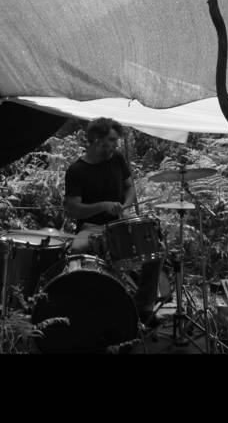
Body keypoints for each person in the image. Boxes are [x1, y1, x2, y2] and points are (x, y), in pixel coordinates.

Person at [64, 117, 162, 326]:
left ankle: (143, 308)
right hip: (91, 228)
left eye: (116, 140)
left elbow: (130, 187)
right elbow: (73, 209)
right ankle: (83, 312)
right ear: (96, 139)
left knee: (154, 249)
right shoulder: (76, 171)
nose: (116, 144)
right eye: (111, 140)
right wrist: (102, 206)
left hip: (119, 225)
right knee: (77, 251)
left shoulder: (116, 159)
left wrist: (125, 205)